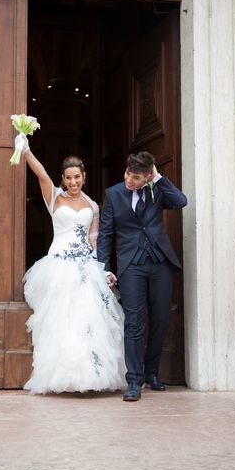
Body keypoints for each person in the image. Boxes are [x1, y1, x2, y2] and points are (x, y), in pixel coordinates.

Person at [14, 134, 126, 394]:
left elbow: (94, 240)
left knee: (89, 322)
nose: (73, 182)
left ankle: (91, 376)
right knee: (62, 320)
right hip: (59, 266)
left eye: (77, 177)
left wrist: (103, 268)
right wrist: (26, 150)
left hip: (86, 268)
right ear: (62, 179)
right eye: (68, 178)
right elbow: (41, 174)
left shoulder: (92, 206)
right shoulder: (55, 198)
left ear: (83, 176)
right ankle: (63, 376)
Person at [96, 151, 188, 402]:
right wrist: (103, 268)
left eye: (136, 177)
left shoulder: (157, 189)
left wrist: (157, 178)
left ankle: (152, 372)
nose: (129, 180)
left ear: (148, 176)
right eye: (128, 174)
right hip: (131, 266)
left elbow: (180, 201)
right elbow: (105, 233)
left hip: (160, 263)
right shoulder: (114, 194)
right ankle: (134, 380)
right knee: (134, 321)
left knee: (160, 318)